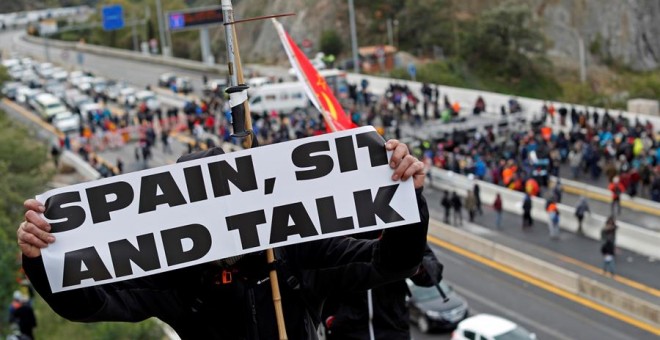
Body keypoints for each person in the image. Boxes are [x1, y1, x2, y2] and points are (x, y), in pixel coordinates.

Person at [17, 140, 429, 340]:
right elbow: (89, 304)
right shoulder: (172, 276)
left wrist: (407, 197)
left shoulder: (296, 251)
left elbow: (392, 262)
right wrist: (42, 258)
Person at [322, 240, 443, 340]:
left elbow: (434, 273)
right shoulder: (337, 227)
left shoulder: (395, 225)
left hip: (393, 326)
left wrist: (413, 262)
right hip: (345, 329)